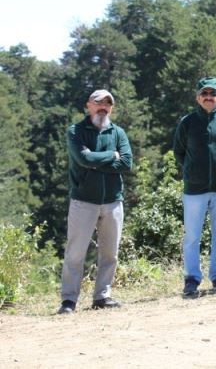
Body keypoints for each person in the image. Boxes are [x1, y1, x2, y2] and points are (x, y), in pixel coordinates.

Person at [58, 89, 133, 314]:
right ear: (88, 105)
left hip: (112, 202)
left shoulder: (118, 133)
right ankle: (69, 301)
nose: (103, 107)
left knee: (110, 253)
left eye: (108, 104)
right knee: (75, 253)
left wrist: (95, 159)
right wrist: (112, 155)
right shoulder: (76, 131)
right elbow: (83, 158)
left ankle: (102, 296)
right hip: (84, 201)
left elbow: (127, 163)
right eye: (99, 103)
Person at [173, 77, 216, 297]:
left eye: (213, 94)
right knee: (193, 236)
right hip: (194, 189)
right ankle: (192, 279)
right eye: (205, 94)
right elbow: (179, 152)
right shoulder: (188, 122)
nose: (209, 98)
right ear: (197, 97)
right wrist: (192, 171)